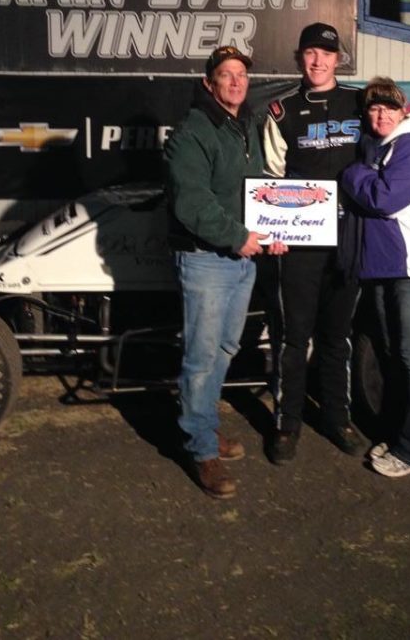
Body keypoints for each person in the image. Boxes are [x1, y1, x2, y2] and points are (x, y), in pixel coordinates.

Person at [164, 45, 286, 499]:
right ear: (208, 84)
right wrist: (238, 236)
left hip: (242, 257)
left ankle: (205, 426)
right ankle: (199, 450)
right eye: (226, 75)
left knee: (224, 348)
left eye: (241, 75)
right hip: (206, 258)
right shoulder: (192, 133)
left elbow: (257, 190)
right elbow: (192, 203)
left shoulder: (244, 126)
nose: (236, 82)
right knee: (200, 358)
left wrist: (274, 226)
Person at [262, 22, 367, 464]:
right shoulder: (282, 111)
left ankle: (338, 419)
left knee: (337, 336)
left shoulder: (362, 102)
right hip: (299, 243)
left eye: (326, 53)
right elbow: (270, 177)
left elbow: (401, 138)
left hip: (347, 240)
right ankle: (287, 425)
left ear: (338, 59)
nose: (318, 61)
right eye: (310, 53)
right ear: (300, 58)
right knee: (292, 336)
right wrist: (274, 230)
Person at [339, 77, 410, 478]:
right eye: (373, 108)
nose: (381, 114)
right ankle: (402, 435)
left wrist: (352, 175)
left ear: (403, 111)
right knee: (394, 355)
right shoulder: (381, 145)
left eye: (389, 107)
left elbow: (385, 199)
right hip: (388, 266)